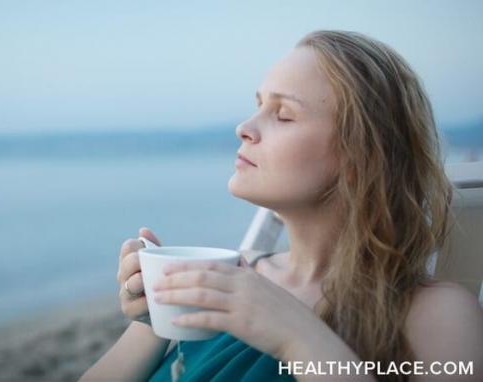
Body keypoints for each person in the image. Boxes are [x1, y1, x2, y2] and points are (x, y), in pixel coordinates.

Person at [79, 30, 483, 382]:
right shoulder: (228, 275)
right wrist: (157, 322)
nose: (244, 127)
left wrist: (297, 337)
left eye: (283, 115)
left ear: (362, 158)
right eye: (258, 105)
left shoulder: (434, 315)